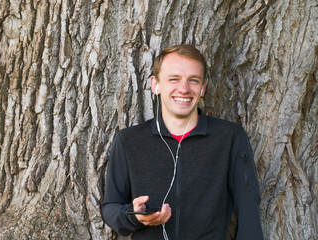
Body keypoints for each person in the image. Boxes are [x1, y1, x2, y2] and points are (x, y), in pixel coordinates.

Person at [102, 44, 264, 240]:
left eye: (193, 80)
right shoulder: (129, 141)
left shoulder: (230, 137)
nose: (184, 89)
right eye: (174, 79)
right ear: (155, 85)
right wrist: (135, 217)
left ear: (203, 87)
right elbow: (111, 207)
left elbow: (249, 211)